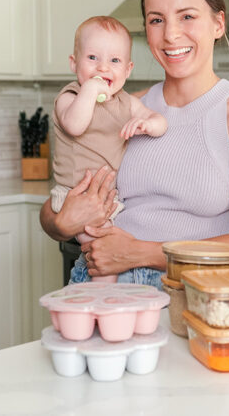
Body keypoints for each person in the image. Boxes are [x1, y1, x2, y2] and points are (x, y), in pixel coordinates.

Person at [40, 0, 229, 289]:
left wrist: (142, 253)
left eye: (187, 16)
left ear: (218, 23)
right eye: (156, 20)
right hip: (97, 283)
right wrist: (61, 222)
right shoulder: (122, 105)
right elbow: (61, 195)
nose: (170, 34)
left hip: (191, 295)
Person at [50, 16, 168, 252]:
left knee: (116, 248)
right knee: (104, 251)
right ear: (74, 64)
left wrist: (149, 126)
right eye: (92, 58)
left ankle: (108, 288)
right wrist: (91, 89)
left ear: (127, 69)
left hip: (108, 200)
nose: (103, 68)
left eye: (114, 60)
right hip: (74, 197)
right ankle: (104, 289)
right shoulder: (70, 97)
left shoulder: (126, 102)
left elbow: (158, 119)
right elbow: (74, 125)